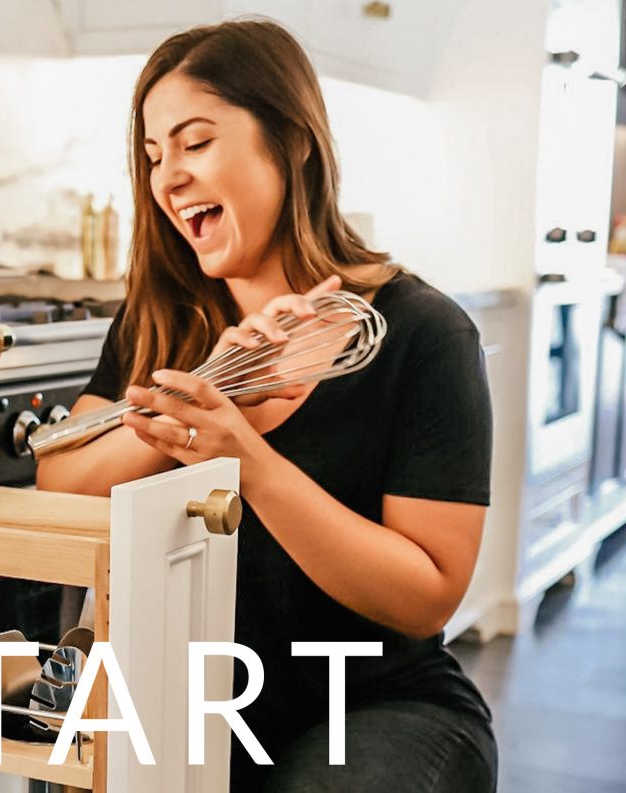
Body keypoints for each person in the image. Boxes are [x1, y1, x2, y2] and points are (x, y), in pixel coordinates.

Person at [36, 17, 497, 793]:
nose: (168, 177)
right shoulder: (165, 322)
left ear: (292, 142)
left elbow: (425, 594)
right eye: (153, 156)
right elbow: (62, 486)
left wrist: (247, 459)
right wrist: (210, 394)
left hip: (378, 705)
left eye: (195, 141)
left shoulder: (424, 332)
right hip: (203, 704)